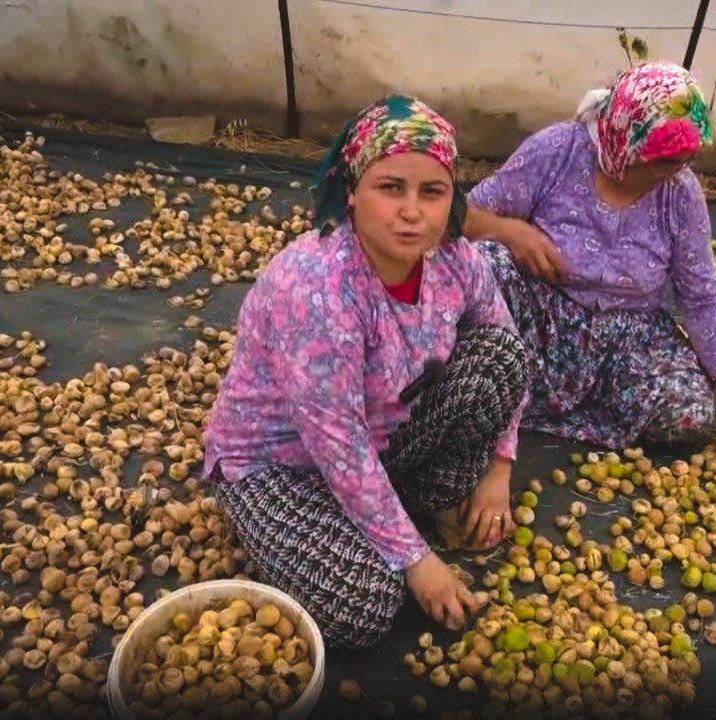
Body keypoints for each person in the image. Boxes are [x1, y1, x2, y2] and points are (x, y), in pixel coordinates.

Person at [202, 95, 530, 649]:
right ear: (352, 191)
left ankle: (397, 513)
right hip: (280, 464)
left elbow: (506, 341)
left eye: (432, 192)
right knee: (364, 605)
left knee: (498, 357)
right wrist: (417, 560)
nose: (412, 211)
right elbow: (338, 444)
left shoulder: (455, 259)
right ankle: (345, 526)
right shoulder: (319, 285)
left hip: (384, 440)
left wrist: (500, 469)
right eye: (390, 187)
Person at [463, 60, 716, 464]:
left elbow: (702, 297)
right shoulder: (560, 151)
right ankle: (501, 400)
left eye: (684, 161)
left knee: (691, 414)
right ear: (626, 139)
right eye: (662, 161)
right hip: (542, 316)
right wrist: (511, 232)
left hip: (625, 338)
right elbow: (461, 216)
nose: (673, 172)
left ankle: (535, 404)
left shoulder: (680, 192)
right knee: (483, 264)